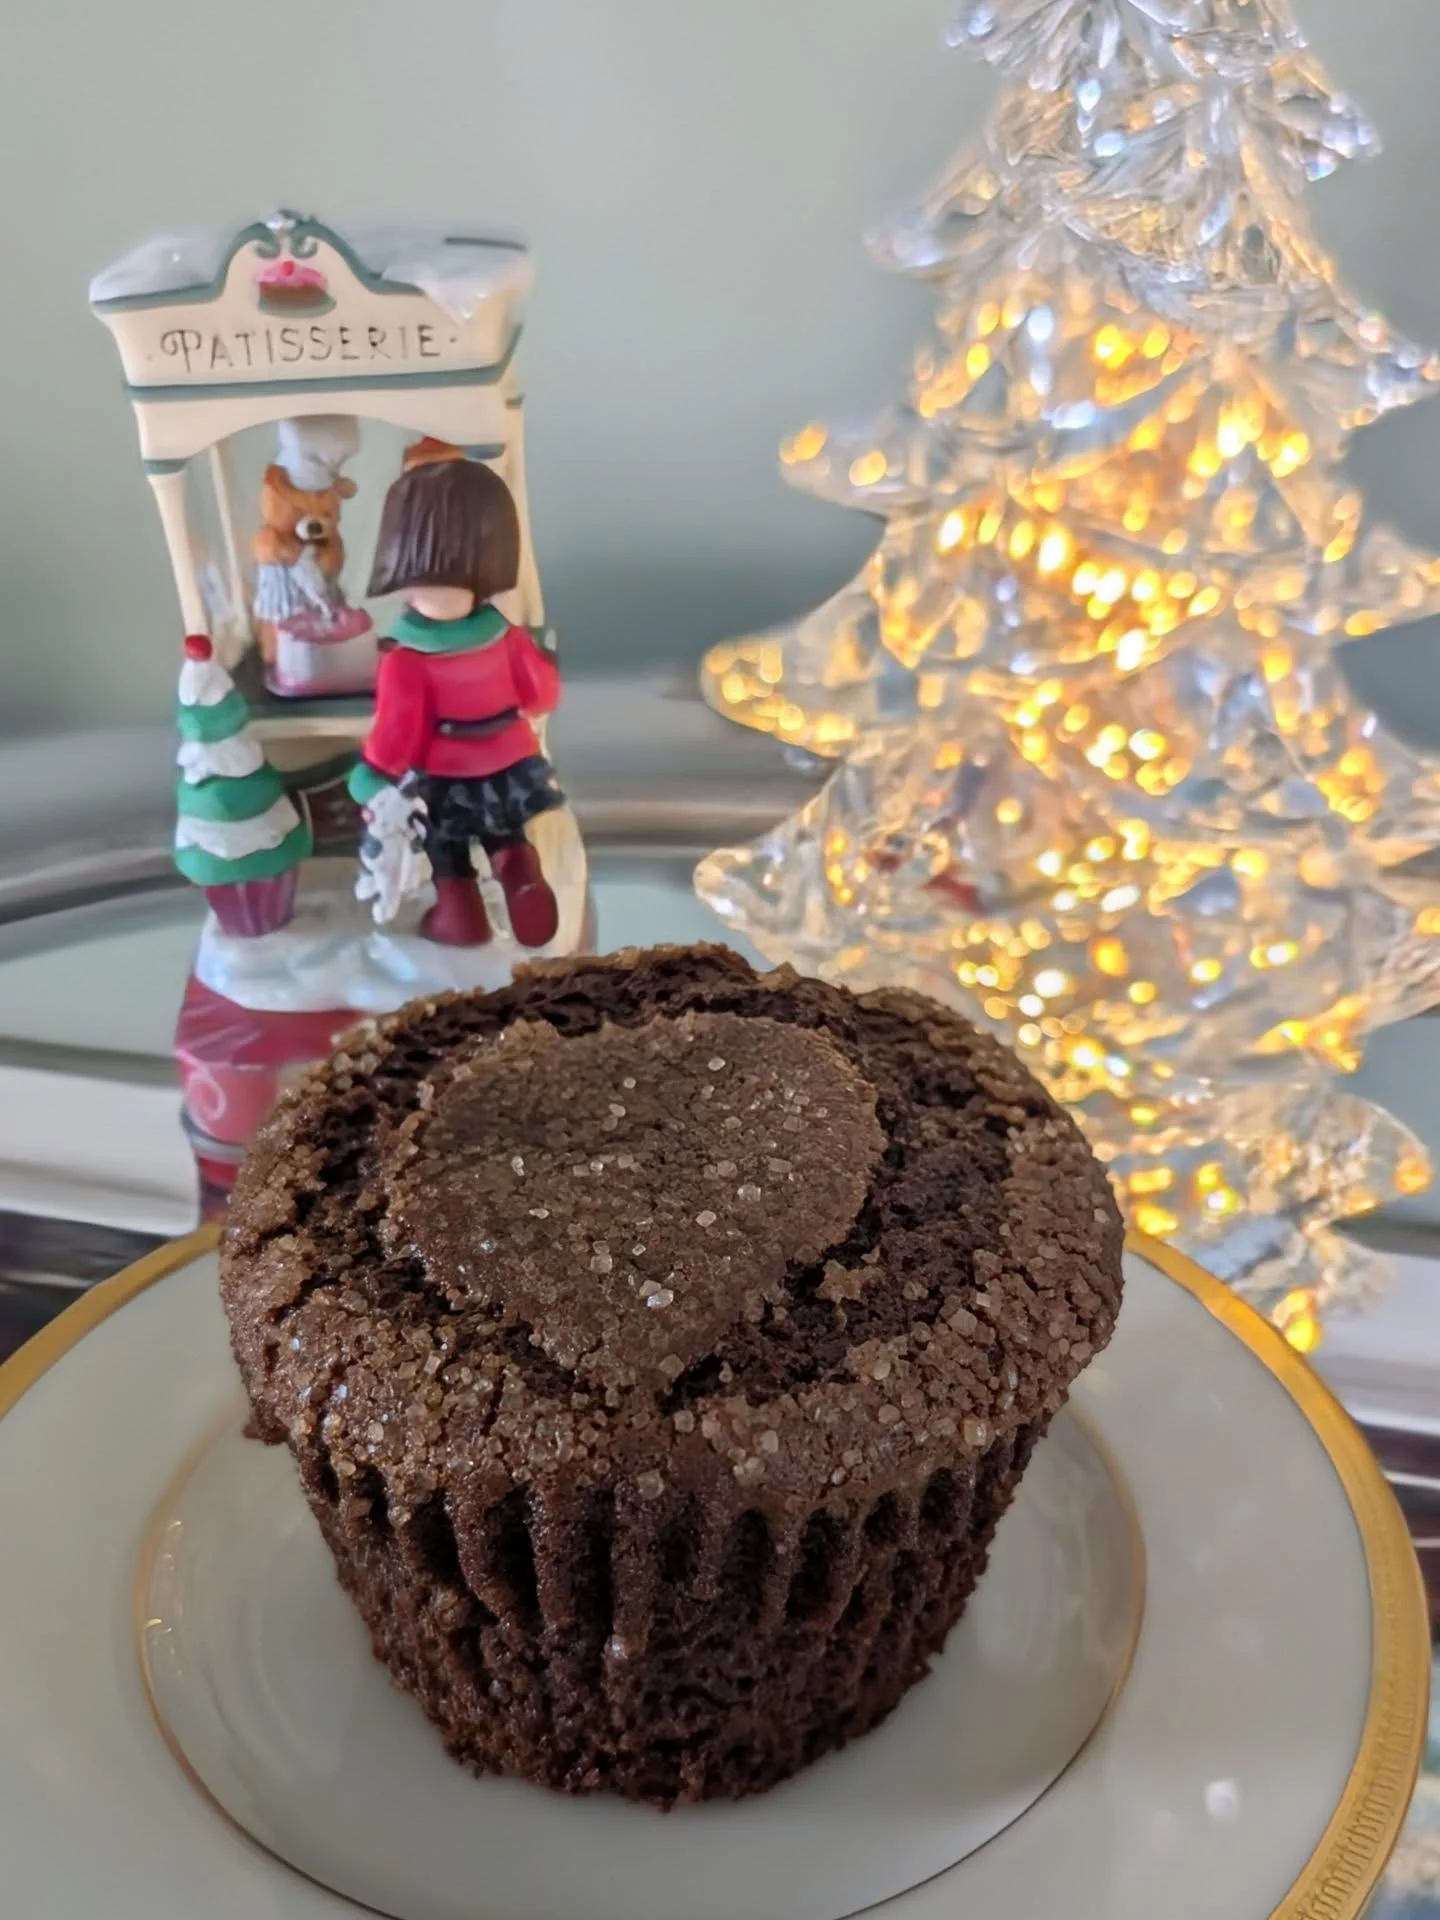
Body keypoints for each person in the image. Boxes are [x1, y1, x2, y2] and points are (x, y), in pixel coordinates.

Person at [349, 445, 563, 947]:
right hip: (509, 762)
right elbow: (541, 693)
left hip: (445, 773)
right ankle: (519, 868)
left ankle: (460, 918)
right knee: (504, 830)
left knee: (446, 845)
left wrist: (372, 775)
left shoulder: (408, 659)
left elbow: (398, 734)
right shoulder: (506, 636)